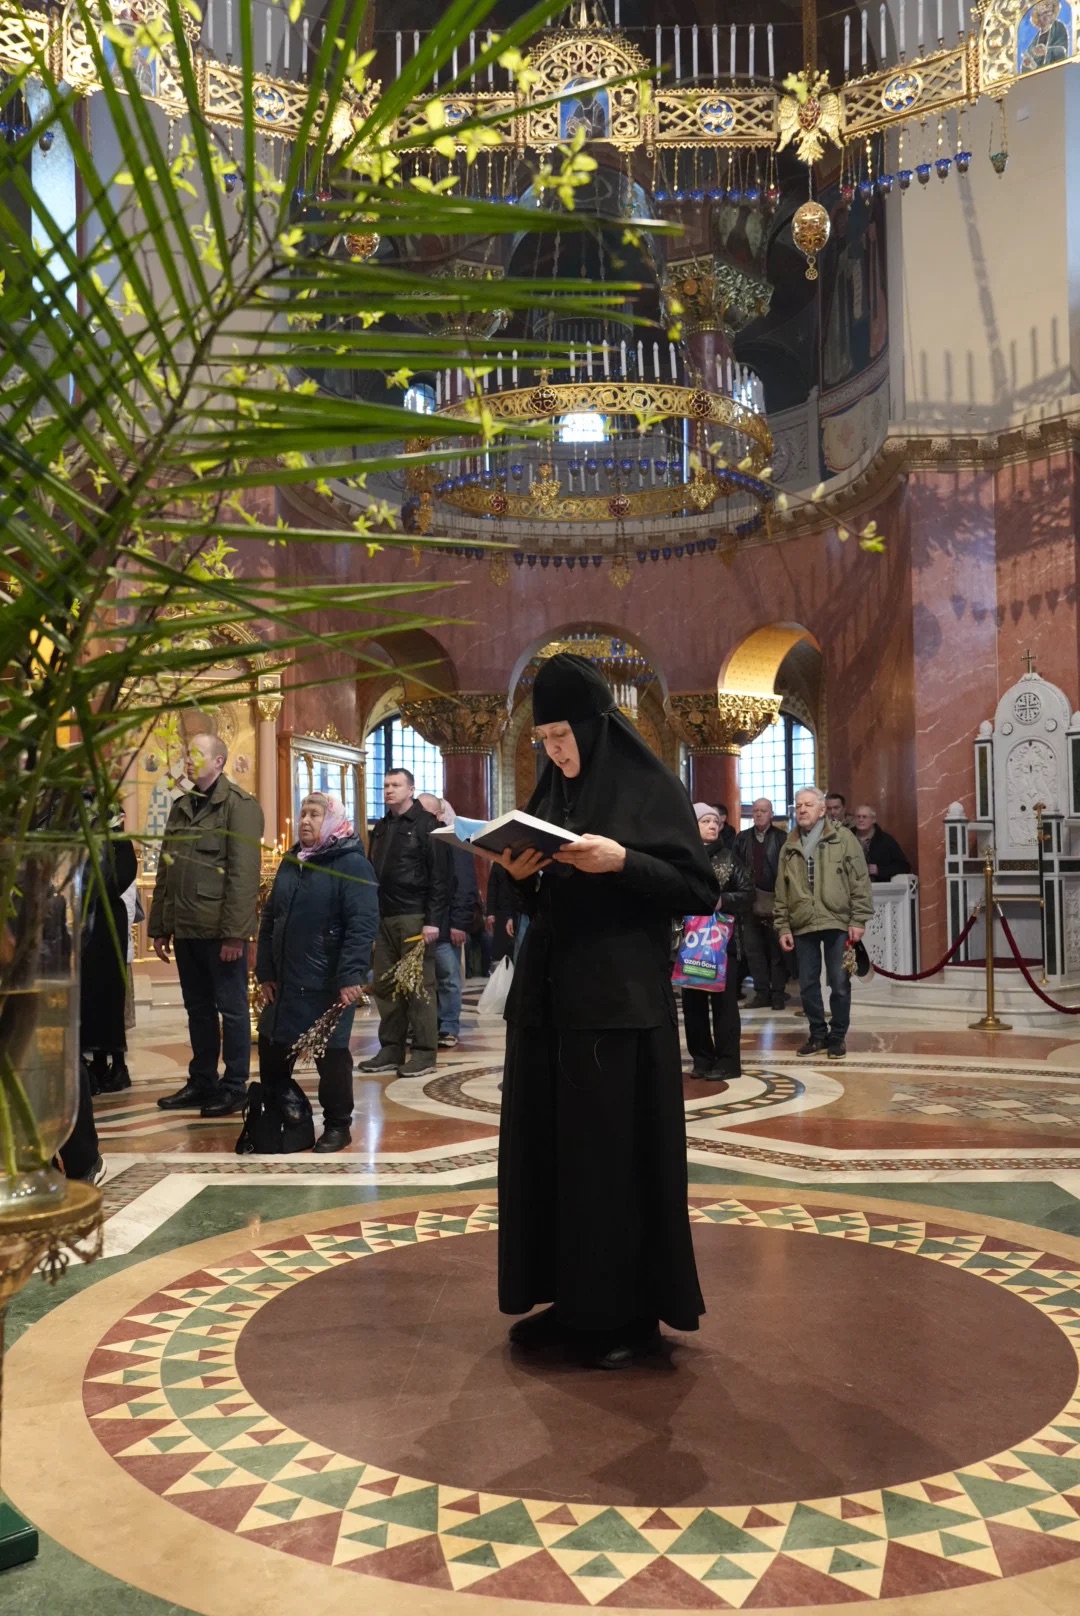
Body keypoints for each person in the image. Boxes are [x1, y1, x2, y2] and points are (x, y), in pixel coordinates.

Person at [496, 653, 719, 1369]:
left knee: (610, 1164)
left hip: (618, 1008)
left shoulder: (649, 788)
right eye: (544, 740)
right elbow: (535, 898)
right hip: (549, 1004)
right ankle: (569, 1301)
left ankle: (627, 1315)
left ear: (595, 728)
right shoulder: (552, 794)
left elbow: (698, 888)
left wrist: (623, 860)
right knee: (553, 1158)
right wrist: (517, 876)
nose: (555, 751)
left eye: (563, 737)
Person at [148, 733, 264, 1117]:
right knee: (197, 1009)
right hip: (186, 927)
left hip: (219, 932)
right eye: (186, 753)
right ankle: (202, 1080)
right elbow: (167, 870)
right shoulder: (182, 805)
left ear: (219, 761)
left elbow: (244, 875)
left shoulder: (240, 806)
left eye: (197, 754)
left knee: (232, 1010)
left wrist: (235, 934)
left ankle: (234, 1085)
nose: (188, 759)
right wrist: (160, 926)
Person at [256, 794, 377, 1152]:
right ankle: (287, 1117)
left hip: (327, 981)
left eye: (314, 815)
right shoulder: (293, 860)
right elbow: (271, 917)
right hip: (286, 979)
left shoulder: (352, 864)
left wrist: (351, 975)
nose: (305, 820)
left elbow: (362, 924)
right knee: (272, 1048)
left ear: (333, 820)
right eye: (302, 813)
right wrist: (265, 970)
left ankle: (338, 1125)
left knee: (332, 1056)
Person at [359, 768, 449, 1078]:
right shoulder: (382, 827)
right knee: (386, 984)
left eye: (396, 785)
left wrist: (433, 921)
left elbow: (440, 877)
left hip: (415, 916)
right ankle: (391, 1048)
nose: (389, 790)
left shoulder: (427, 825)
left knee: (418, 986)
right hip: (384, 916)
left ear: (411, 789)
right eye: (386, 785)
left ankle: (424, 1053)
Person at [774, 786, 874, 1061]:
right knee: (807, 984)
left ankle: (837, 1036)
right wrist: (783, 926)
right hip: (802, 920)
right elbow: (781, 889)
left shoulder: (843, 838)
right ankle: (817, 1034)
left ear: (821, 810)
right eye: (798, 805)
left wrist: (858, 919)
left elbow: (859, 880)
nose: (802, 809)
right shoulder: (789, 844)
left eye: (808, 805)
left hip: (837, 919)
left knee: (839, 983)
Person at [683, 805, 753, 1080]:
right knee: (693, 1003)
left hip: (724, 943)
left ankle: (727, 1062)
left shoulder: (730, 858)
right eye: (706, 821)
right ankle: (701, 1059)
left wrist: (723, 901)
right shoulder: (684, 858)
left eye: (715, 821)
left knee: (724, 1004)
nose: (713, 825)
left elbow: (747, 893)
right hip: (691, 941)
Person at [417, 793, 480, 1049]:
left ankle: (448, 1026)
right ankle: (426, 1026)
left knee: (448, 979)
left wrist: (459, 922)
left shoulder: (454, 839)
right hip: (420, 924)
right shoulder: (417, 837)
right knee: (422, 979)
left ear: (440, 815)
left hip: (446, 925)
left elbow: (465, 883)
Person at [80, 820, 138, 1095]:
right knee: (88, 996)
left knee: (109, 995)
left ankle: (118, 1065)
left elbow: (117, 880)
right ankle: (98, 1063)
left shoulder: (119, 843)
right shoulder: (82, 839)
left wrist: (89, 888)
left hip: (108, 924)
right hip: (85, 923)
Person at [734, 797, 788, 1009]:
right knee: (754, 950)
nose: (758, 814)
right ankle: (761, 993)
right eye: (755, 810)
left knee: (777, 951)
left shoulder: (782, 838)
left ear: (771, 814)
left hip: (776, 901)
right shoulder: (742, 838)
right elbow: (736, 867)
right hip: (750, 901)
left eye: (763, 810)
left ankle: (778, 994)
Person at [853, 805, 912, 882]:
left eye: (864, 817)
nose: (860, 820)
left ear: (873, 820)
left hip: (877, 886)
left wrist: (878, 870)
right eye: (858, 817)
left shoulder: (885, 840)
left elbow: (903, 866)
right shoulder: (845, 837)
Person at [485, 860, 522, 965]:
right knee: (501, 953)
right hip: (501, 911)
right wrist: (490, 912)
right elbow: (492, 886)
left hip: (519, 909)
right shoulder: (498, 862)